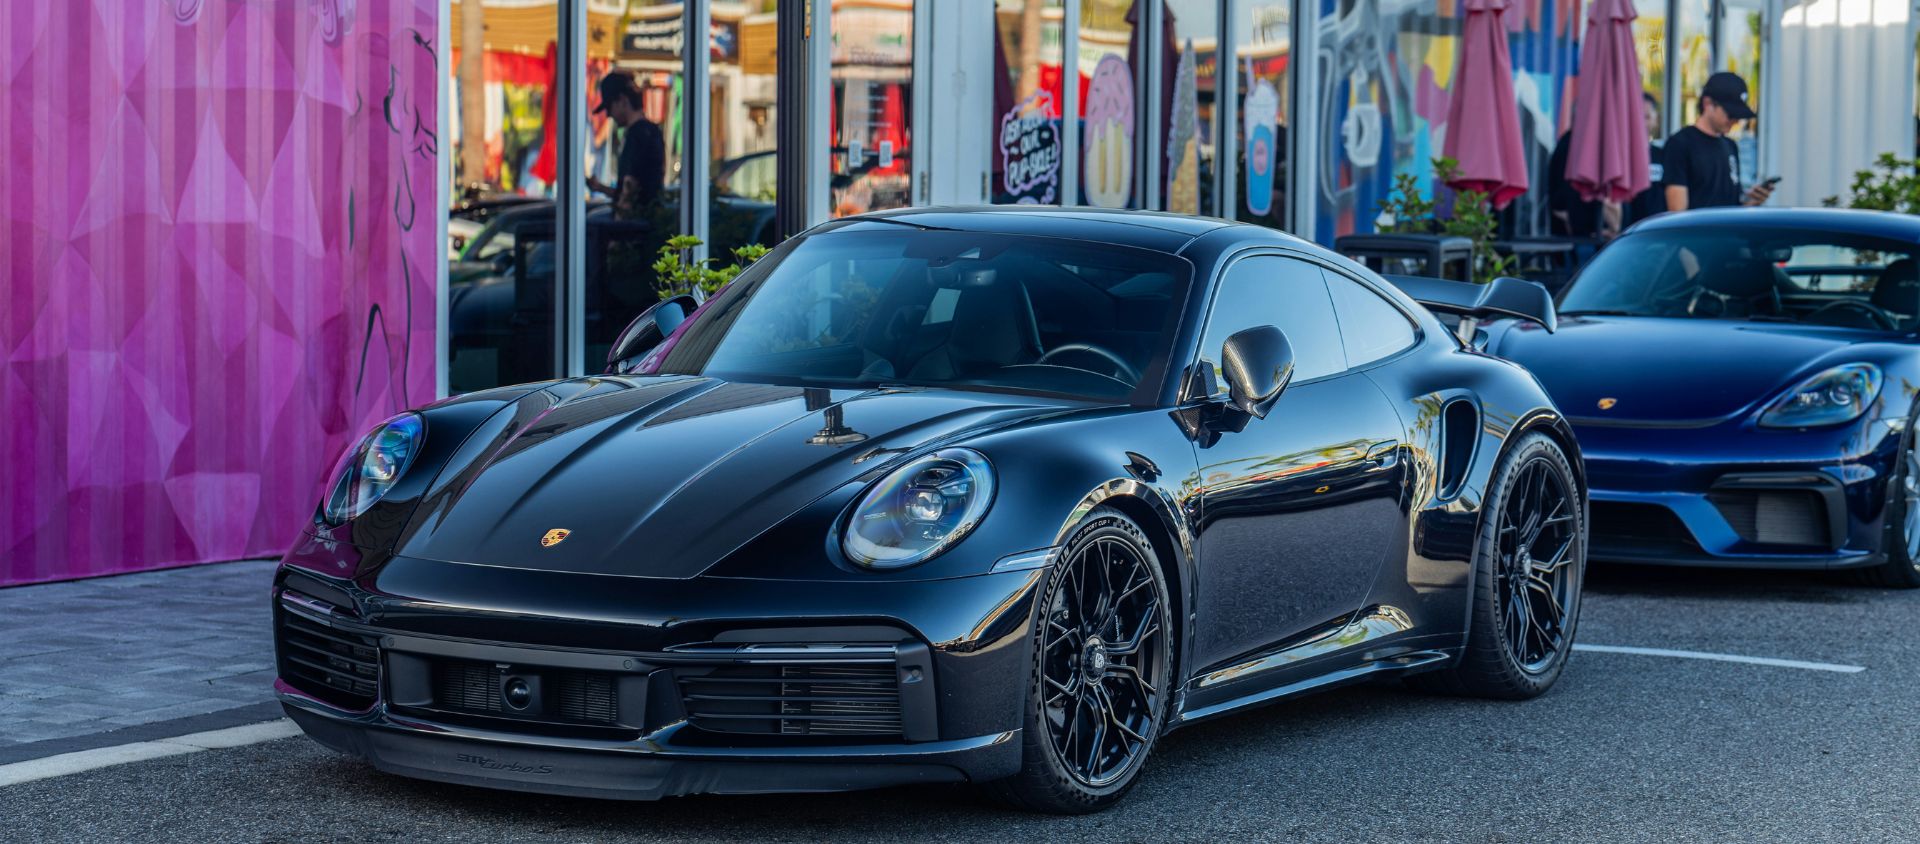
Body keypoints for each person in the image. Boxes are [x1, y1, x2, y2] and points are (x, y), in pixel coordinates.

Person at [1663, 72, 1772, 212]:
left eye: (1738, 116)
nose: (1736, 121)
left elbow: (1731, 208)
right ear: (1708, 104)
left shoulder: (1730, 145)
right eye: (1731, 114)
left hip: (1725, 231)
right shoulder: (1680, 143)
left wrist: (1753, 202)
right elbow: (1677, 213)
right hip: (1697, 232)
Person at [588, 69, 665, 217]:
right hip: (649, 221)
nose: (609, 115)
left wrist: (619, 231)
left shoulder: (636, 135)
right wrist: (600, 188)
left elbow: (629, 191)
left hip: (635, 226)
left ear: (622, 100)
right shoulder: (652, 131)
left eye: (610, 107)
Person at [1623, 92, 1667, 226]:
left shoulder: (1664, 155)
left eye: (1647, 117)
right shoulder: (1620, 156)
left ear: (1655, 120)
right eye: (1637, 116)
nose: (1642, 122)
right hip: (1629, 233)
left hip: (1660, 230)